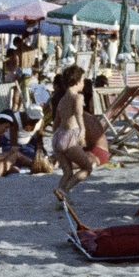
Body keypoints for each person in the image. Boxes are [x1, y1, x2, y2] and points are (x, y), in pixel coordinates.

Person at [51, 66, 99, 196]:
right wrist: (82, 133)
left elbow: (56, 122)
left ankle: (60, 199)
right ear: (77, 81)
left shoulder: (62, 100)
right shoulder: (77, 98)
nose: (84, 83)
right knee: (87, 168)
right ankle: (64, 190)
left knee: (67, 172)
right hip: (69, 138)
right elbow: (79, 116)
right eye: (83, 80)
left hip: (57, 138)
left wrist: (55, 138)